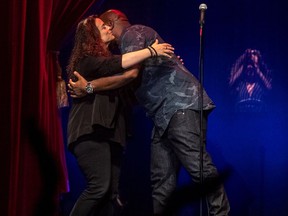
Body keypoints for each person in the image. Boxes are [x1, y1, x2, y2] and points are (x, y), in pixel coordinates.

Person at [69, 10, 230, 216]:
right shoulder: (107, 55)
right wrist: (159, 56)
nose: (107, 29)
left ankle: (221, 214)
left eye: (106, 25)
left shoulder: (132, 33)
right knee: (161, 180)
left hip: (179, 105)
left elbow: (131, 73)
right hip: (163, 114)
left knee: (198, 167)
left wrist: (89, 86)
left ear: (112, 22)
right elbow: (131, 85)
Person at [66, 14, 174, 216]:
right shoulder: (85, 62)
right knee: (99, 187)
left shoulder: (108, 65)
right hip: (90, 132)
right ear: (91, 36)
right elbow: (117, 64)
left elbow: (129, 84)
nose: (108, 28)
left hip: (112, 135)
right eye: (101, 27)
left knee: (111, 194)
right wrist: (151, 50)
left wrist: (163, 68)